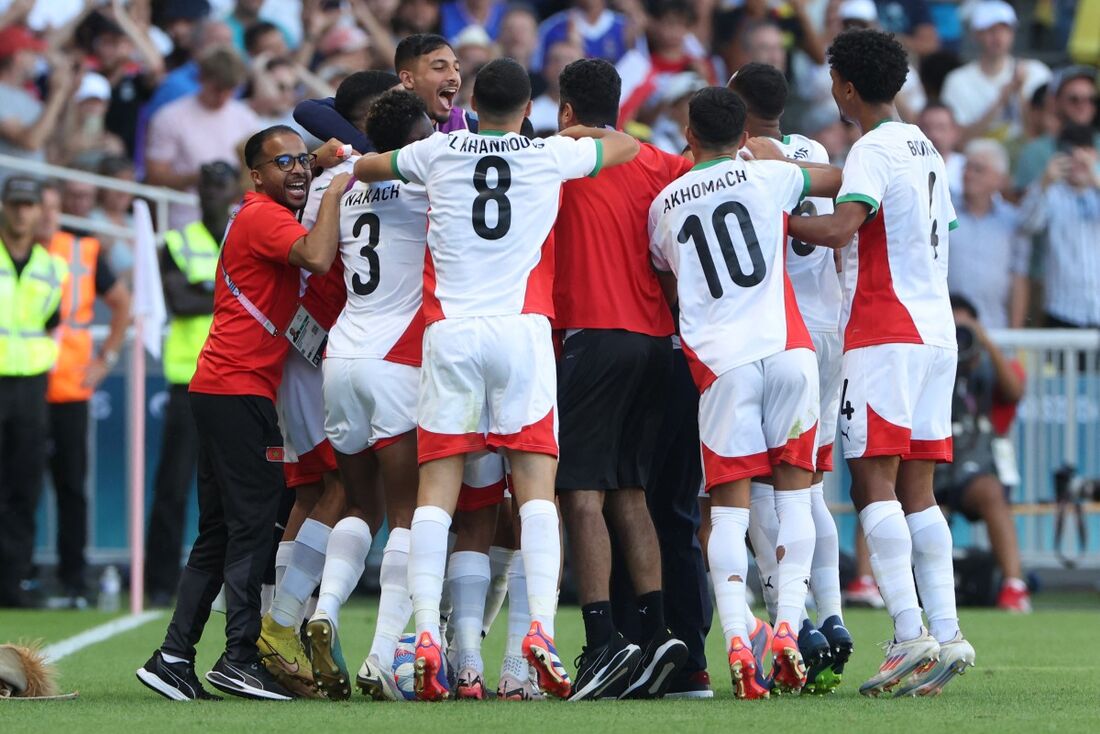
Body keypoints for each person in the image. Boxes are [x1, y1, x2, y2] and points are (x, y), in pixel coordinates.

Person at [353, 57, 640, 701]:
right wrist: (568, 138)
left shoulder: (440, 148)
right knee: (535, 487)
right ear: (531, 104)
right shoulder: (547, 156)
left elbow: (370, 167)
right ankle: (539, 626)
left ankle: (425, 633)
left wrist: (350, 158)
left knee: (438, 489)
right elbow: (625, 145)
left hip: (450, 331)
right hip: (522, 331)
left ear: (474, 102)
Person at [753, 27, 975, 697]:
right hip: (937, 335)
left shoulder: (873, 148)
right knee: (919, 491)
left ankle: (909, 635)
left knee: (872, 484)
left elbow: (841, 228)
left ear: (845, 87)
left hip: (886, 329)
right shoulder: (925, 147)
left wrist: (777, 218)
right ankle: (947, 631)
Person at [136, 127, 351, 702]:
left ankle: (174, 656)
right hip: (238, 391)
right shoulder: (262, 216)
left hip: (223, 386)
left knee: (217, 531)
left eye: (302, 161)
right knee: (253, 525)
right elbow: (318, 255)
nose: (298, 171)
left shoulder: (254, 211)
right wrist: (333, 193)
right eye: (284, 164)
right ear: (256, 176)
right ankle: (238, 658)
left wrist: (320, 161)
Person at [649, 86, 839, 699]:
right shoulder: (769, 177)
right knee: (795, 497)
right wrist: (770, 157)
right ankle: (787, 625)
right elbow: (836, 179)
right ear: (744, 133)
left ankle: (737, 637)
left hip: (723, 364)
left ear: (688, 132)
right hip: (788, 350)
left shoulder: (667, 203)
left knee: (727, 510)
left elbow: (665, 271)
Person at [551, 58, 689, 701]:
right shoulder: (662, 163)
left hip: (592, 336)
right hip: (657, 342)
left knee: (579, 493)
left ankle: (603, 639)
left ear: (568, 111)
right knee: (630, 492)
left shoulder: (557, 161)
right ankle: (657, 630)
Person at [728, 61, 853, 695]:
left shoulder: (744, 158)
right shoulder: (817, 151)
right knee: (808, 488)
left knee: (752, 486)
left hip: (773, 333)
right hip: (827, 330)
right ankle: (830, 615)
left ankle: (794, 621)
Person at [145, 160, 241, 607]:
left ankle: (234, 582)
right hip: (189, 378)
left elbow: (195, 295)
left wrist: (205, 288)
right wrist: (228, 291)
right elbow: (178, 302)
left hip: (235, 377)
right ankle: (159, 580)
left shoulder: (243, 233)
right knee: (173, 485)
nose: (210, 194)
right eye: (205, 186)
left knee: (236, 488)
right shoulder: (176, 242)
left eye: (219, 186)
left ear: (232, 190)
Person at [42, 181, 131, 607]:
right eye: (36, 208)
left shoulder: (83, 250)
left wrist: (106, 359)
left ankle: (72, 578)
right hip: (17, 381)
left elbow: (122, 304)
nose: (42, 218)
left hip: (70, 385)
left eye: (50, 210)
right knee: (14, 485)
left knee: (71, 485)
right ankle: (15, 575)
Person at [0, 177, 69, 609]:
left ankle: (15, 579)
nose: (23, 212)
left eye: (29, 205)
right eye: (16, 204)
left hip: (30, 385)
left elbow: (50, 321)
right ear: (5, 207)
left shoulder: (50, 265)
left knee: (24, 485)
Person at [939, 296, 1031, 613]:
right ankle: (870, 585)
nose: (959, 335)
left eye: (965, 328)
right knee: (883, 491)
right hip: (930, 467)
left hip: (973, 469)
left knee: (991, 492)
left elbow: (1015, 391)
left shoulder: (990, 361)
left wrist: (983, 342)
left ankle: (1014, 587)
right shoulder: (928, 356)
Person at [144, 45, 260, 228]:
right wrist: (200, 178)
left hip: (235, 219)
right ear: (202, 78)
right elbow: (155, 177)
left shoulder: (246, 117)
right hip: (186, 219)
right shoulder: (170, 117)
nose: (223, 96)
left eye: (230, 89)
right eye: (217, 88)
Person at [1018, 124, 1100, 329]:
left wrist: (1094, 177)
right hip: (1061, 310)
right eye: (1071, 154)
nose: (1078, 161)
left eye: (1085, 154)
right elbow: (1027, 225)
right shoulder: (1050, 193)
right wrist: (1044, 182)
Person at [939, 1, 1050, 144]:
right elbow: (958, 142)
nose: (998, 36)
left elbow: (1043, 136)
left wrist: (1020, 95)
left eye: (1004, 29)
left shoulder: (1036, 71)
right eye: (990, 30)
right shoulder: (957, 80)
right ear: (976, 35)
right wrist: (999, 103)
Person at [948, 139, 1030, 330]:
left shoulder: (1012, 221)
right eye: (966, 167)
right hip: (946, 331)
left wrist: (1014, 337)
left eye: (978, 169)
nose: (968, 174)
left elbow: (1018, 279)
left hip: (995, 331)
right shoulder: (944, 212)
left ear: (999, 179)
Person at [0, 26, 75, 185]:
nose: (36, 59)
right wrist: (57, 94)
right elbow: (31, 141)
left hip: (32, 193)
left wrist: (67, 94)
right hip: (9, 195)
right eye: (32, 53)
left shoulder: (30, 98)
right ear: (18, 56)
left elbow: (59, 146)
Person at [1014, 66, 1100, 191]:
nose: (1083, 106)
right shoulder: (1035, 152)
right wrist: (1043, 184)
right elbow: (1021, 204)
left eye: (1090, 100)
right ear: (1055, 102)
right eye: (1074, 99)